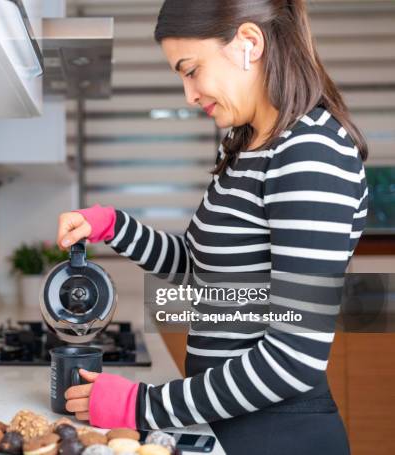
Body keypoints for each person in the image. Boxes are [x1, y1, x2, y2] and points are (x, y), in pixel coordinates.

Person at [55, 1, 369, 454]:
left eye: (191, 69)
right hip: (228, 421)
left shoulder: (311, 152)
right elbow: (203, 269)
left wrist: (140, 405)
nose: (189, 94)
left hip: (279, 435)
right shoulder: (247, 145)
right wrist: (112, 226)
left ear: (249, 43)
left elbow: (293, 361)